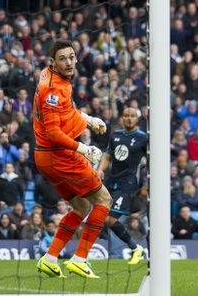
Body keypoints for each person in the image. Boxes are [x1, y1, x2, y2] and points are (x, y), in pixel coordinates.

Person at [32, 40, 110, 279]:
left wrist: (87, 119)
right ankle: (80, 258)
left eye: (71, 57)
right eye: (62, 58)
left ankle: (50, 258)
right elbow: (54, 132)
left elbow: (66, 113)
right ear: (53, 63)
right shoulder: (54, 90)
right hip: (59, 155)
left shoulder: (49, 76)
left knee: (81, 205)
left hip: (45, 156)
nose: (68, 62)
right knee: (103, 200)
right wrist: (83, 149)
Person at [97, 107, 146, 264]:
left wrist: (148, 183)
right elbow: (107, 155)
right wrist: (99, 170)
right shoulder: (115, 135)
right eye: (126, 115)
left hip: (128, 183)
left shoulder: (143, 138)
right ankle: (81, 256)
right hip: (112, 181)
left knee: (109, 219)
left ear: (137, 119)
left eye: (132, 116)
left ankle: (135, 248)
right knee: (99, 217)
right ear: (122, 118)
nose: (129, 118)